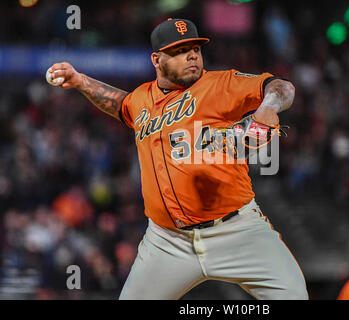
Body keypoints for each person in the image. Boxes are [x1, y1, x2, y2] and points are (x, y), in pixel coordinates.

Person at [46, 18, 308, 299]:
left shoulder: (221, 84)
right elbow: (121, 105)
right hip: (166, 242)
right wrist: (81, 81)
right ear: (157, 59)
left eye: (195, 48)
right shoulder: (141, 98)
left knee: (294, 295)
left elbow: (282, 87)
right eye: (180, 51)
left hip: (238, 231)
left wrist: (269, 105)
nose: (192, 55)